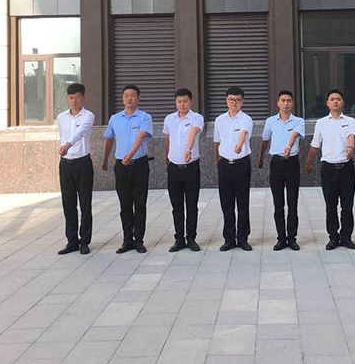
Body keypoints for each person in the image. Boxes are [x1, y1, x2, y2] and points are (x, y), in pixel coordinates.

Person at [102, 85, 153, 254]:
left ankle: (139, 241)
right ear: (122, 98)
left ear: (138, 98)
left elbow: (141, 137)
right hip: (121, 167)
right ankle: (127, 240)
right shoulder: (115, 118)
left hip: (139, 165)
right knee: (125, 204)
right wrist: (105, 160)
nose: (129, 98)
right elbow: (109, 139)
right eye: (126, 95)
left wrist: (130, 155)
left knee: (140, 203)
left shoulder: (145, 117)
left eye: (132, 95)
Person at [306, 89, 355, 250]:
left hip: (346, 168)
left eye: (338, 99)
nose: (335, 101)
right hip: (329, 169)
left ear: (343, 103)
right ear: (327, 103)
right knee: (331, 206)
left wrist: (350, 147)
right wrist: (308, 162)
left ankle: (346, 237)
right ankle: (333, 237)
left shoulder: (350, 121)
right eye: (332, 99)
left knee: (347, 206)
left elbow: (351, 136)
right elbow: (315, 145)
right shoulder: (321, 123)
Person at [258, 90, 305, 251]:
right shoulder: (271, 121)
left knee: (292, 202)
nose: (286, 103)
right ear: (278, 103)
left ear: (292, 103)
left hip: (292, 163)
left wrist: (288, 147)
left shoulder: (298, 121)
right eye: (283, 100)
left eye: (289, 100)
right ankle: (281, 238)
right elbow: (265, 140)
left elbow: (294, 135)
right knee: (278, 203)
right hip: (276, 163)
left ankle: (292, 238)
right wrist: (260, 157)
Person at [55, 83, 96, 255]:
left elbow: (80, 133)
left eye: (77, 97)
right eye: (71, 98)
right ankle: (72, 240)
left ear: (83, 97)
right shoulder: (61, 117)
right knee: (68, 203)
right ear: (67, 98)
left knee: (85, 203)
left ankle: (84, 241)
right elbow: (62, 134)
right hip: (66, 163)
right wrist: (65, 149)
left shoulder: (88, 116)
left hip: (82, 163)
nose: (74, 101)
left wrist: (68, 145)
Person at [163, 88, 204, 253]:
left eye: (185, 101)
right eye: (179, 101)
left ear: (190, 102)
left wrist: (188, 149)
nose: (182, 104)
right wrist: (167, 160)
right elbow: (167, 140)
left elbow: (193, 133)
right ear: (176, 102)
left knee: (192, 205)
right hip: (174, 167)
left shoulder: (197, 118)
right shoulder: (169, 119)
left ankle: (191, 238)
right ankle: (179, 238)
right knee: (176, 206)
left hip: (191, 167)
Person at [213, 86, 254, 252]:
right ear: (226, 101)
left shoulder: (246, 119)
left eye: (237, 100)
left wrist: (239, 145)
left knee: (242, 203)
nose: (234, 103)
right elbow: (217, 142)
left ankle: (243, 238)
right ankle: (229, 238)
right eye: (231, 100)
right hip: (224, 165)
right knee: (226, 203)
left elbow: (242, 134)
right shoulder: (219, 120)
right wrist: (217, 161)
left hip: (241, 164)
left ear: (242, 101)